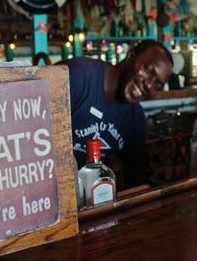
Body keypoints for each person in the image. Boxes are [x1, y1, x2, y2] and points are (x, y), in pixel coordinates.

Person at [60, 40, 173, 189]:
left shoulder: (135, 118)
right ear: (130, 55)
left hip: (91, 199)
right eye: (148, 70)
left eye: (157, 84)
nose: (149, 84)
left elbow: (135, 179)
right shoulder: (78, 76)